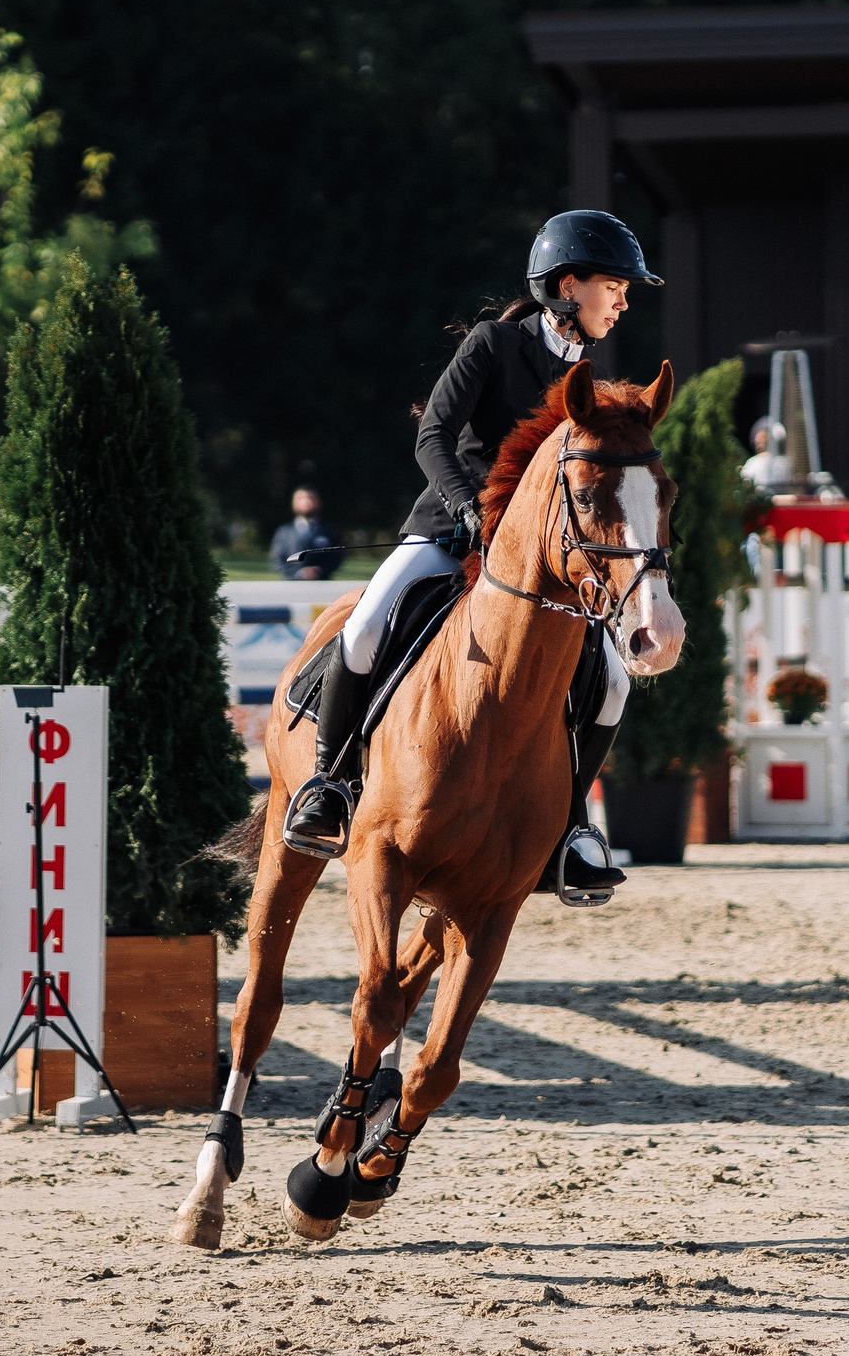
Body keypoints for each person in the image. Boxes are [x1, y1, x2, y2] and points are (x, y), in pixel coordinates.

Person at [281, 209, 662, 894]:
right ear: (568, 286)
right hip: (449, 529)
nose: (625, 299)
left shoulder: (590, 375)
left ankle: (570, 828)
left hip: (537, 566)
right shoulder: (494, 343)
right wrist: (467, 506)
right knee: (367, 625)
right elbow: (432, 436)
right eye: (615, 285)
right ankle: (328, 785)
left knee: (609, 678)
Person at [269, 488, 344, 580]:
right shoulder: (284, 531)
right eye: (301, 498)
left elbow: (336, 557)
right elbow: (278, 559)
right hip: (291, 585)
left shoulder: (329, 530)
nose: (306, 501)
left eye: (311, 498)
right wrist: (299, 573)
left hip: (323, 585)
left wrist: (320, 571)